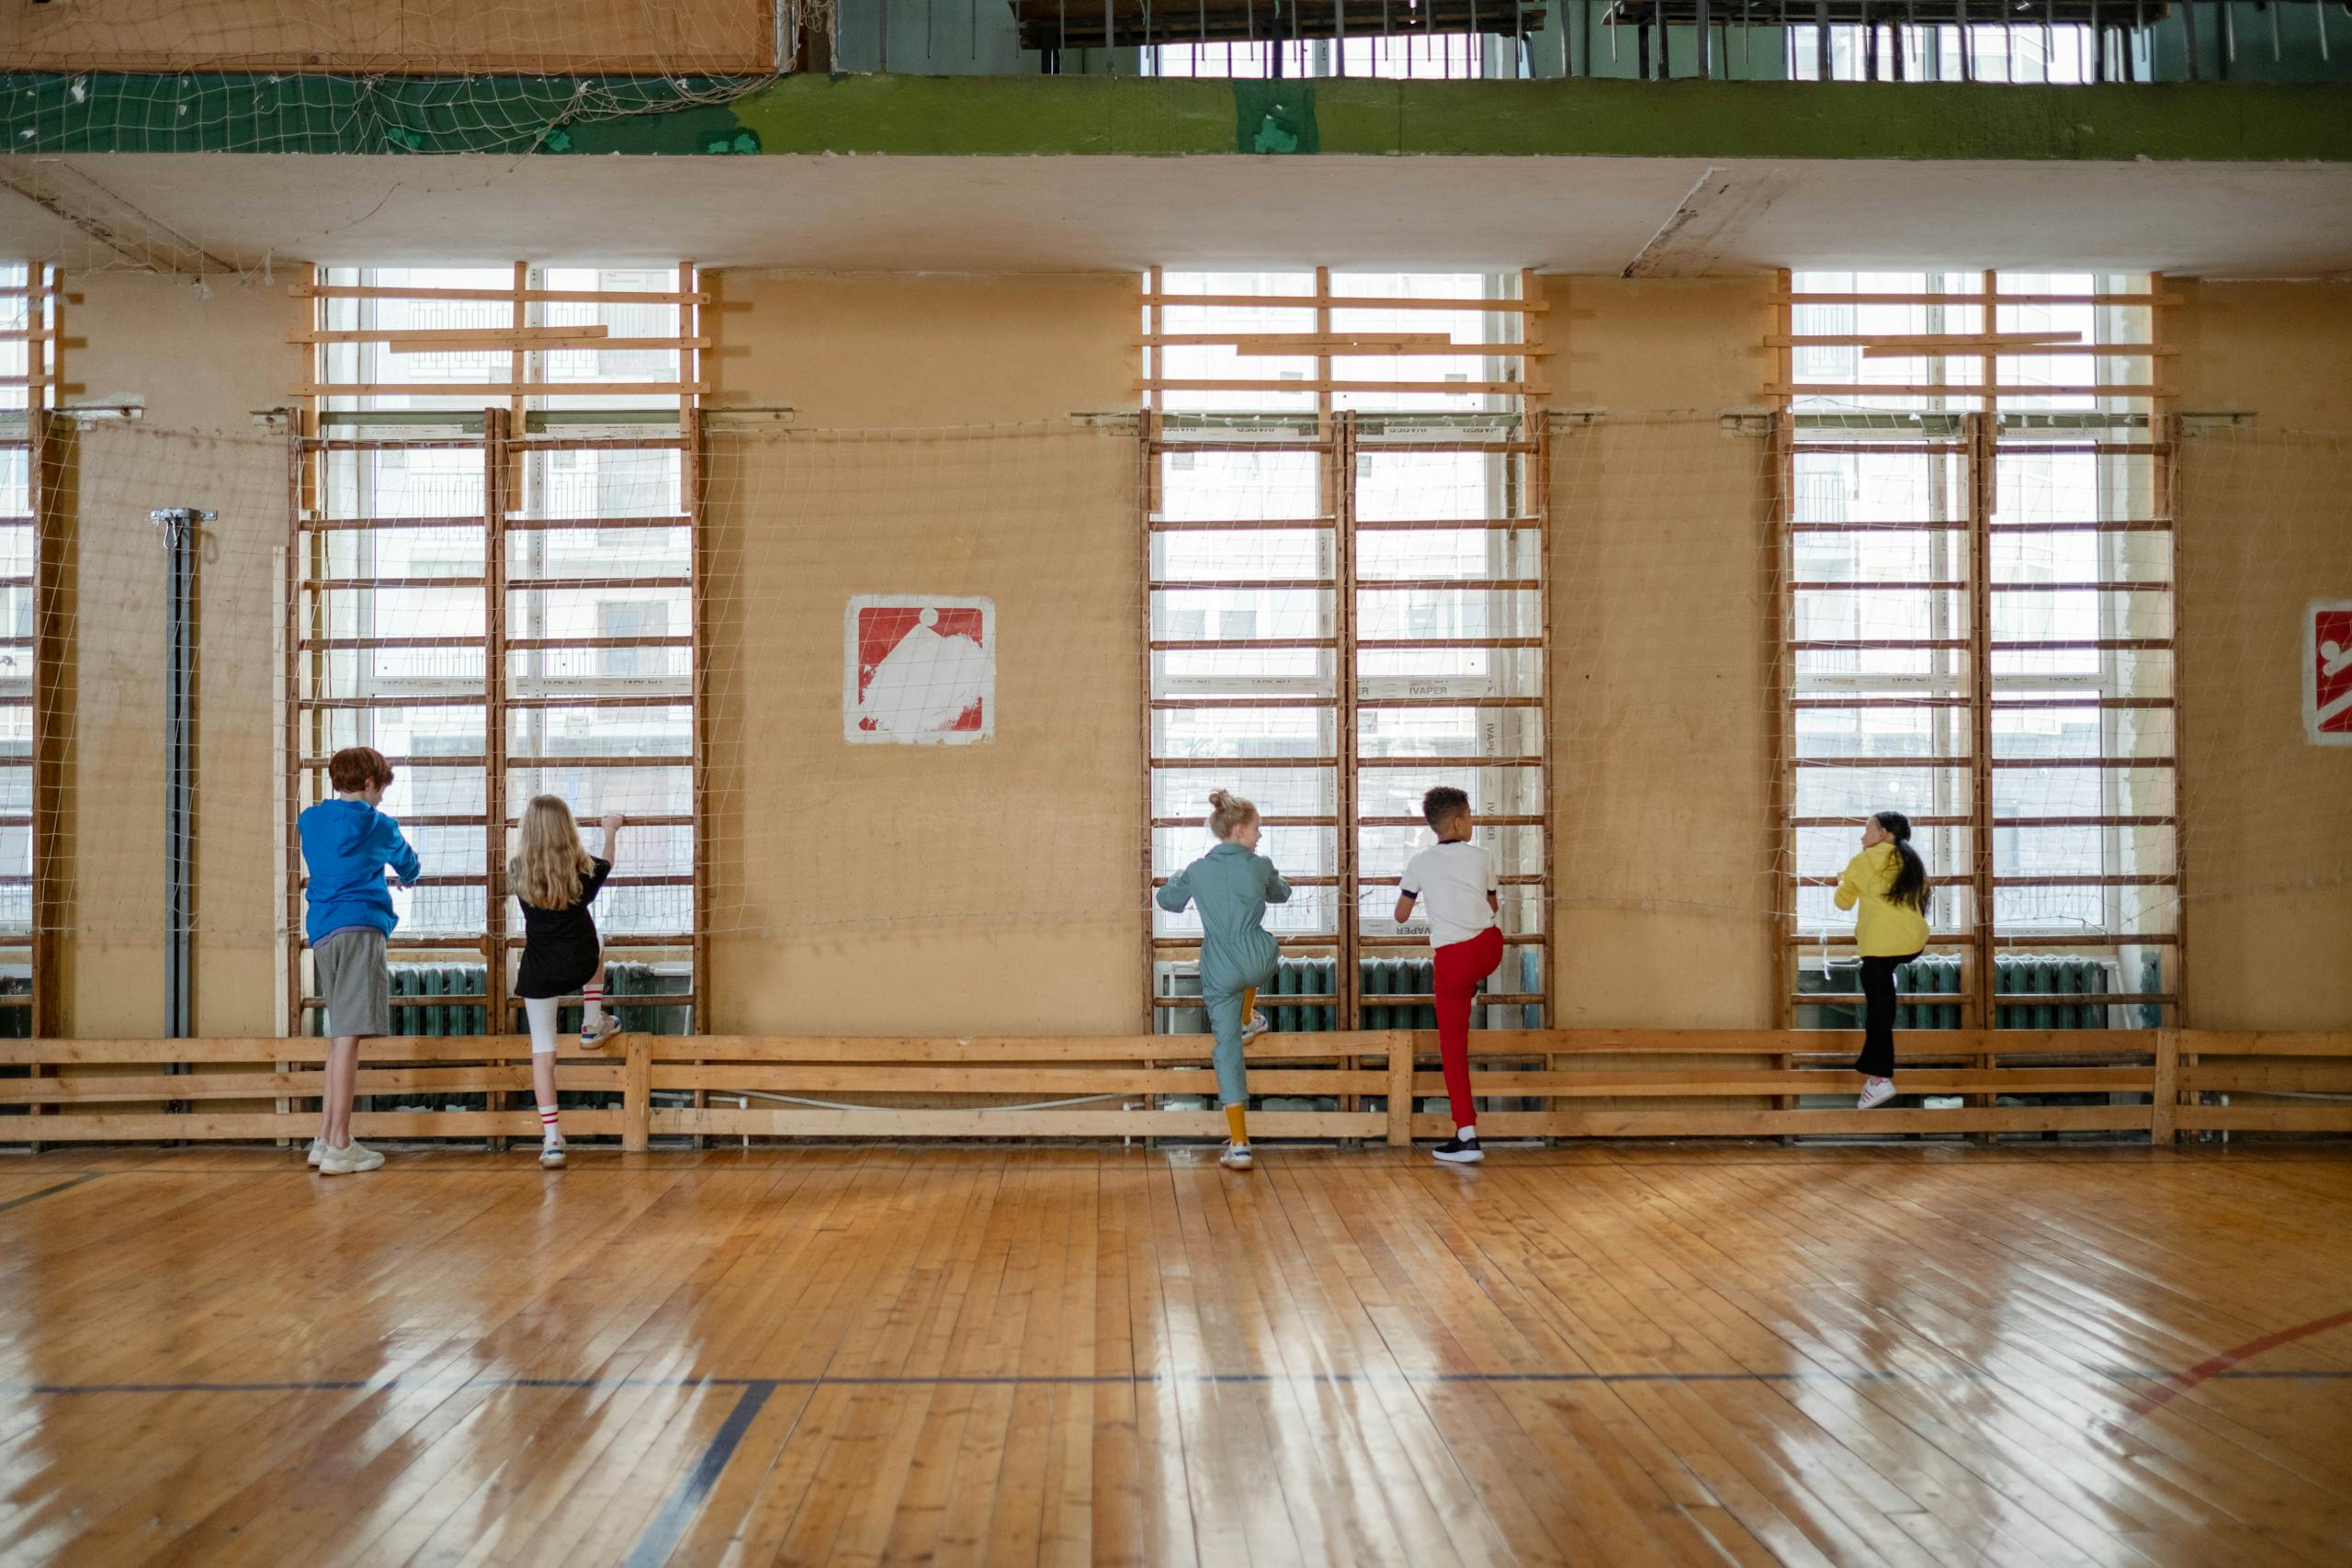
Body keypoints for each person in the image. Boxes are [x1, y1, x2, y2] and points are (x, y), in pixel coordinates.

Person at [298, 746, 422, 1176]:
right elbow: (409, 866)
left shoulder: (309, 820)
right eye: (380, 788)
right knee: (350, 1037)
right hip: (361, 926)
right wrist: (402, 877)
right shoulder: (378, 824)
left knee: (339, 1037)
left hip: (323, 930)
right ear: (369, 783)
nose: (382, 797)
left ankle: (323, 1137)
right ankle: (340, 1143)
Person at [1155, 789, 1289, 1170]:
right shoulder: (1260, 864)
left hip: (1219, 965)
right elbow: (1282, 894)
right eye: (1258, 829)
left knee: (1227, 1050)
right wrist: (1268, 876)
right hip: (1260, 957)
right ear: (1242, 830)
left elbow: (1168, 902)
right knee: (1254, 967)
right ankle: (1250, 1016)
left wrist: (1181, 877)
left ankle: (1241, 1144)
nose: (1260, 836)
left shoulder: (1198, 869)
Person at [511, 796, 625, 1168]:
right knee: (599, 943)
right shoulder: (583, 869)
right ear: (568, 829)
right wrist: (610, 831)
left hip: (539, 971)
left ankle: (552, 1140)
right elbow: (607, 861)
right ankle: (592, 1020)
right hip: (580, 961)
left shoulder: (518, 870)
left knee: (543, 1055)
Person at [1395, 786, 1503, 1165]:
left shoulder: (1420, 862)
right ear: (1459, 822)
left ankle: (1466, 1134)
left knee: (1453, 1049)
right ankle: (1472, 988)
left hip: (1454, 960)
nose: (1472, 822)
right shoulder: (1484, 856)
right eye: (1471, 817)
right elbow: (1493, 903)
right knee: (1469, 974)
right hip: (1490, 948)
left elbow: (1401, 916)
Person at [1835, 809, 1931, 1110]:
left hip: (1880, 947)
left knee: (1878, 1011)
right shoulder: (1911, 861)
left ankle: (1879, 1079)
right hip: (1913, 942)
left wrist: (1842, 880)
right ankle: (1888, 976)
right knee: (1881, 995)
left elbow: (1843, 902)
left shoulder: (1863, 861)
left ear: (1882, 834)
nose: (1862, 836)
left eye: (1867, 829)